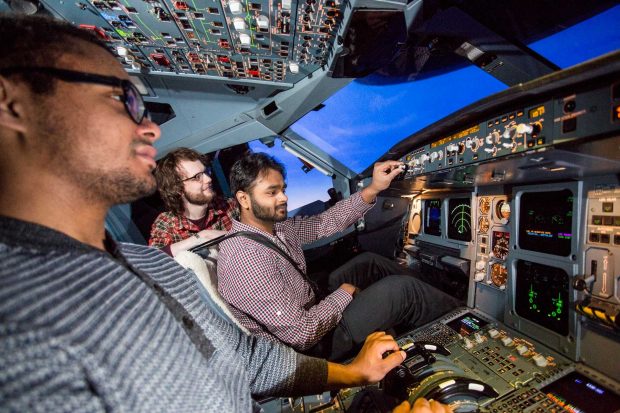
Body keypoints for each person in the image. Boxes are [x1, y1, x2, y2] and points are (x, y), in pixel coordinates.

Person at [0, 15, 451, 413]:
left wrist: (353, 374)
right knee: (395, 290)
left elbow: (248, 358)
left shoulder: (152, 265)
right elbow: (290, 336)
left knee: (367, 268)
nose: (151, 126)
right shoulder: (22, 335)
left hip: (301, 332)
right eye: (124, 99)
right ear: (11, 102)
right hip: (305, 332)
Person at [218, 153, 461, 361]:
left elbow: (326, 223)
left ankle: (438, 295)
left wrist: (373, 188)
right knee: (403, 291)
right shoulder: (245, 257)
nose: (283, 198)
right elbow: (301, 334)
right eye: (272, 192)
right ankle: (465, 324)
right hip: (312, 348)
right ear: (243, 199)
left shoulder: (276, 228)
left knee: (369, 263)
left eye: (283, 189)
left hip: (311, 303)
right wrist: (343, 294)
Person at [148, 147, 239, 256]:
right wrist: (200, 237)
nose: (208, 179)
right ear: (177, 188)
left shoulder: (228, 206)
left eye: (206, 172)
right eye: (197, 177)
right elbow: (152, 258)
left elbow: (256, 236)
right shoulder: (167, 224)